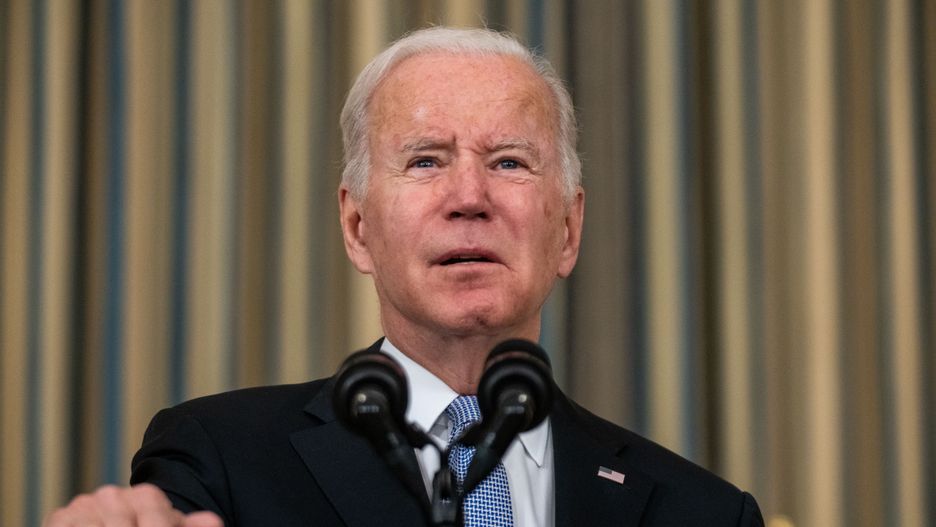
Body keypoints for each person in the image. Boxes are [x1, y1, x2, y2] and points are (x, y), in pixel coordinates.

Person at [45, 26, 763, 526]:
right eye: (425, 160)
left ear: (568, 230)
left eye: (509, 160)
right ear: (358, 227)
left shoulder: (699, 511)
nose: (469, 196)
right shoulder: (221, 459)